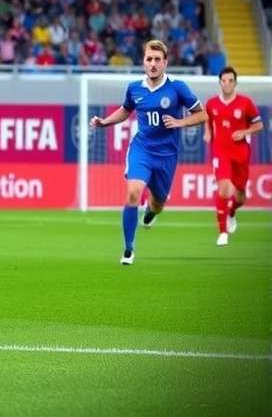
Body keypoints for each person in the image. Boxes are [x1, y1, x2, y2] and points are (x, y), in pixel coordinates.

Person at [89, 39, 206, 265]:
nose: (152, 64)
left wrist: (181, 122)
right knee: (133, 192)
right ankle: (128, 249)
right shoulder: (135, 88)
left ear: (165, 63)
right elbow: (125, 111)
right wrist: (105, 122)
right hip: (142, 149)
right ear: (143, 61)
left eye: (157, 60)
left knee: (158, 204)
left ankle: (151, 211)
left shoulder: (177, 87)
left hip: (167, 155)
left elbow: (202, 115)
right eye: (148, 59)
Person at [203, 67, 264, 246]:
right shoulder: (212, 103)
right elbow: (207, 117)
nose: (227, 84)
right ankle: (222, 232)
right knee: (223, 188)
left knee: (240, 197)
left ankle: (232, 213)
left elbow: (259, 125)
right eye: (224, 80)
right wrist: (208, 132)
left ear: (235, 83)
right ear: (220, 82)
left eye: (230, 80)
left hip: (241, 154)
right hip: (220, 152)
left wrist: (245, 131)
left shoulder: (246, 103)